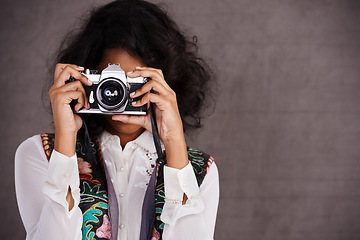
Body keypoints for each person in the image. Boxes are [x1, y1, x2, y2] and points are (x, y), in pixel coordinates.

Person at [15, 0, 219, 239]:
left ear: (167, 84)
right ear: (85, 78)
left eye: (135, 83)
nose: (121, 94)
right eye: (111, 83)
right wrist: (65, 146)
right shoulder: (40, 153)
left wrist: (174, 142)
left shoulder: (199, 170)